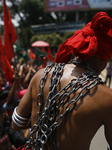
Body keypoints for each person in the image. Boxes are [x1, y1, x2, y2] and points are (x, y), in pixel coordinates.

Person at [12, 11, 112, 150]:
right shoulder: (106, 96)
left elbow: (16, 123)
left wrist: (42, 118)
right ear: (103, 58)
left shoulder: (40, 75)